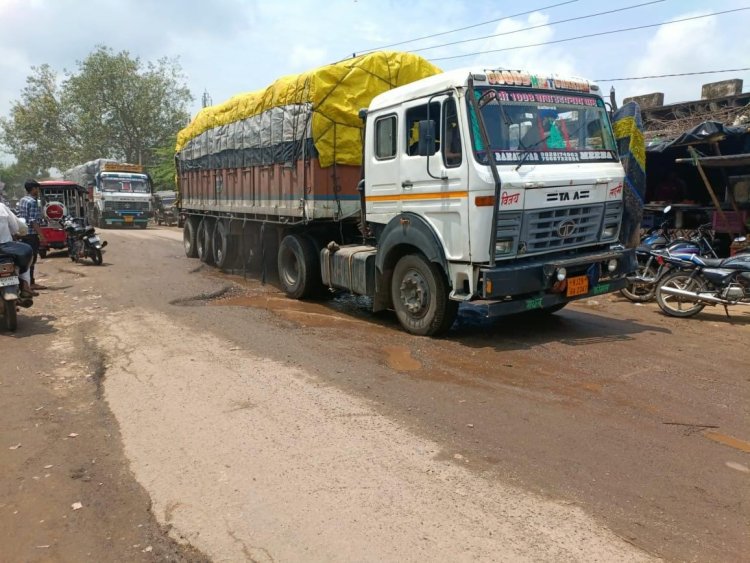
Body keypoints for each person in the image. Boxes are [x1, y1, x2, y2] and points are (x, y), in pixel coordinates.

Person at [0, 201, 35, 303]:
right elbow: (15, 228)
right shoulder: (1, 207)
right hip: (6, 246)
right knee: (26, 252)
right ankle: (25, 285)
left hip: (6, 247)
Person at [17, 178, 46, 290]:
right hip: (32, 234)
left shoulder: (23, 200)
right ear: (33, 189)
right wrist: (42, 236)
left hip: (23, 233)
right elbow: (33, 221)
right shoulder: (32, 202)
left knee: (26, 258)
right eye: (37, 188)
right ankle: (31, 283)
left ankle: (25, 282)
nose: (38, 190)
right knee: (32, 259)